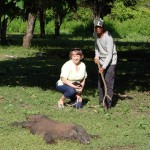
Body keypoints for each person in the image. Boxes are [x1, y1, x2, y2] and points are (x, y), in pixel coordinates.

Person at [93, 18, 117, 109]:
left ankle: (108, 104)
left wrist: (104, 67)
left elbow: (109, 54)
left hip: (110, 61)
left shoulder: (108, 37)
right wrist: (96, 56)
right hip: (101, 60)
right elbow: (96, 47)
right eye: (96, 27)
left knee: (108, 81)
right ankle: (101, 101)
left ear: (103, 27)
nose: (98, 28)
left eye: (99, 27)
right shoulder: (95, 34)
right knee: (100, 81)